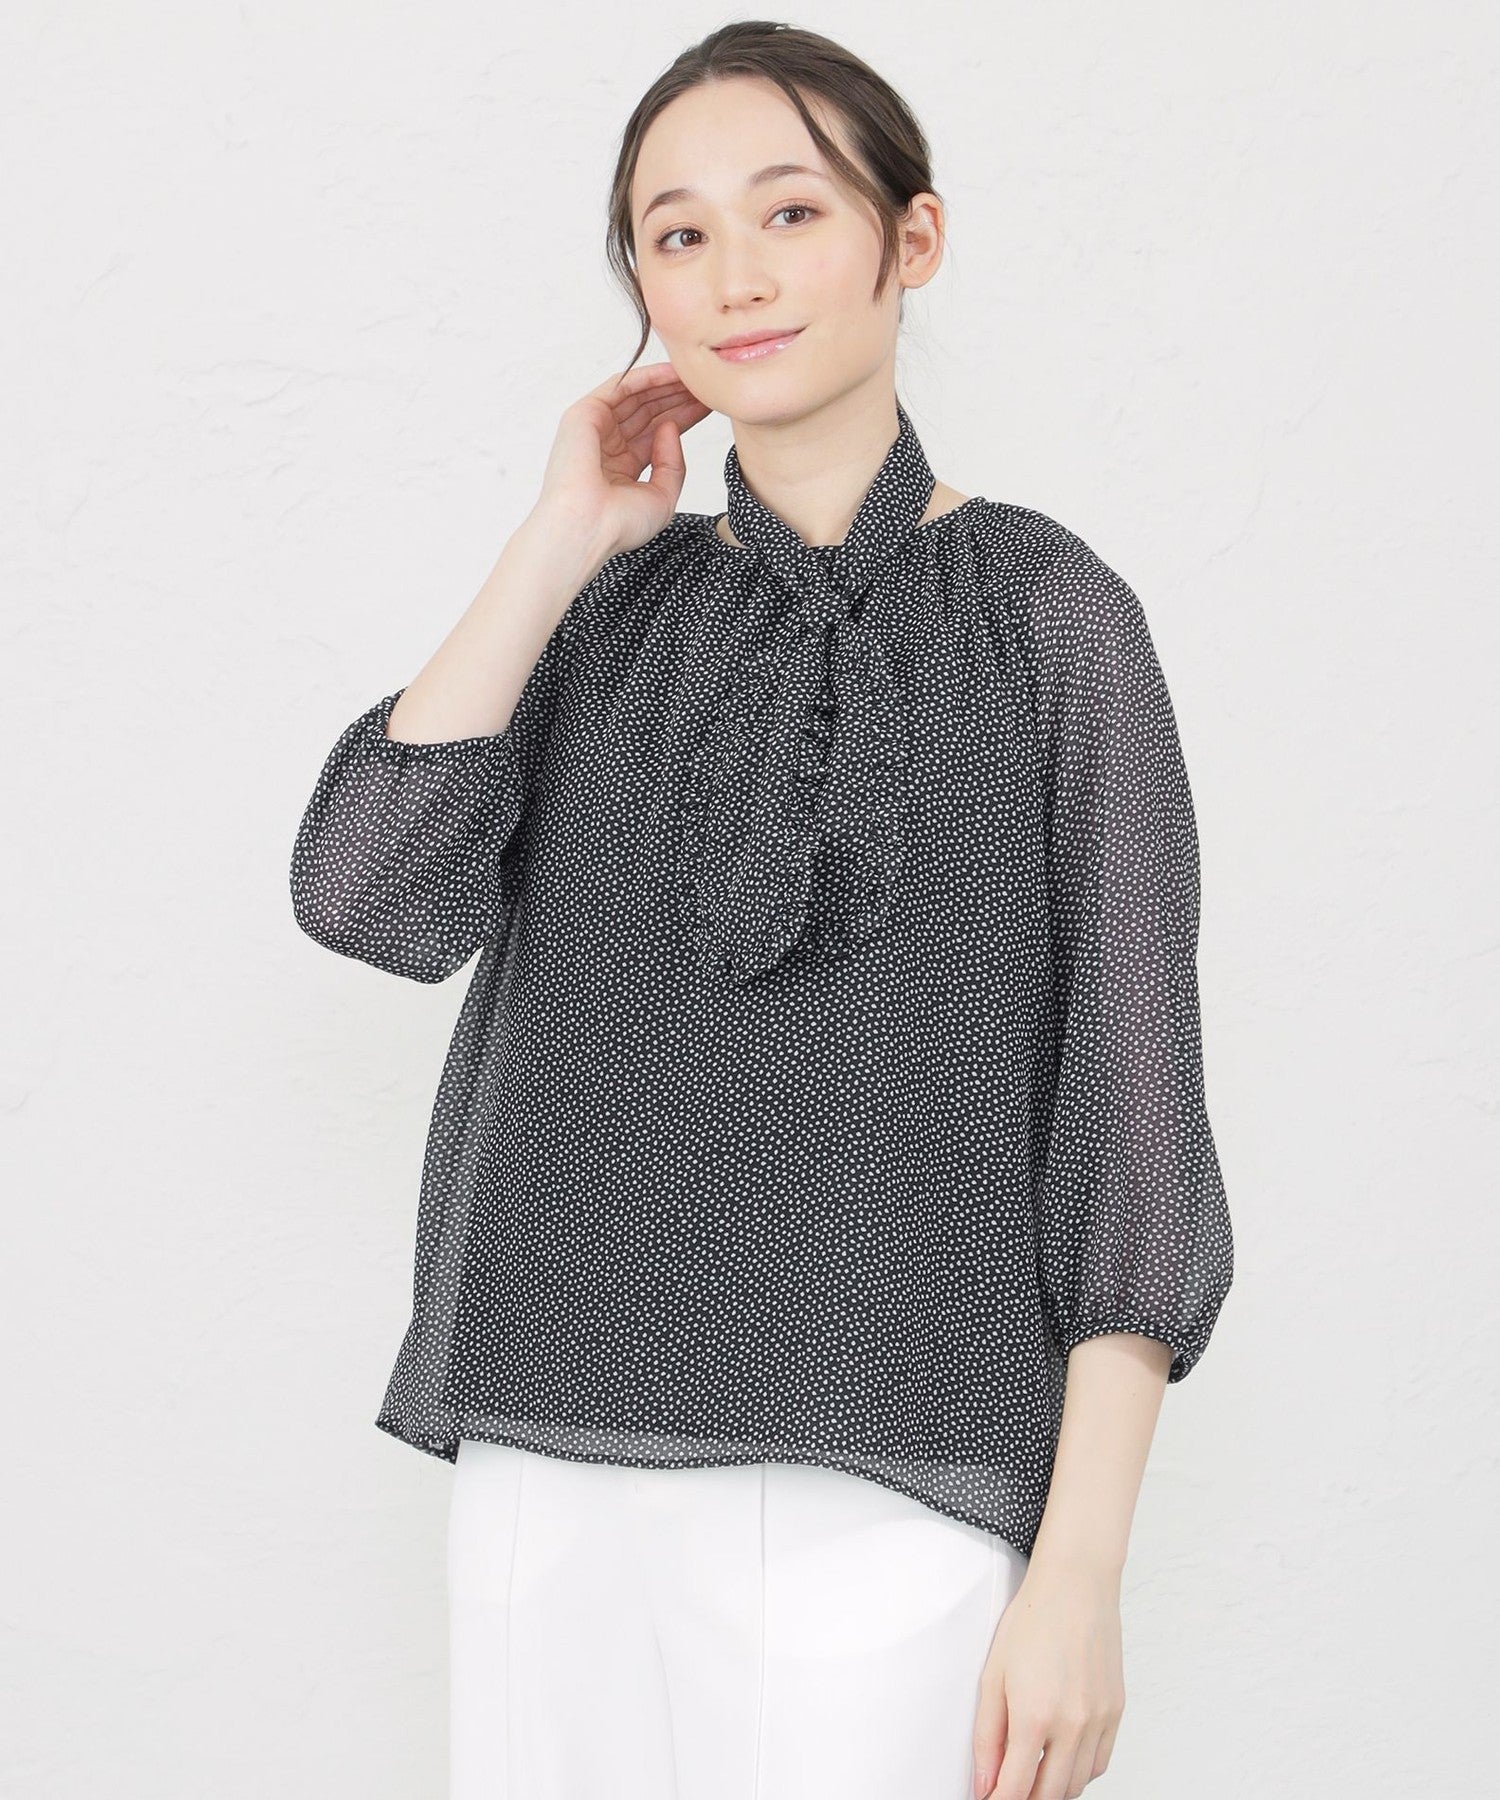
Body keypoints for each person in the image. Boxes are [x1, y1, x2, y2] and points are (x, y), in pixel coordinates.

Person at [288, 20, 1234, 1800]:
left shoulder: (1050, 614)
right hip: (547, 1468)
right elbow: (366, 895)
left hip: (898, 1481)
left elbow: (1133, 1121)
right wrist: (559, 533)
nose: (735, 275)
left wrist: (1083, 1574)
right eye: (679, 234)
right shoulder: (604, 609)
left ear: (912, 239)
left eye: (791, 212)